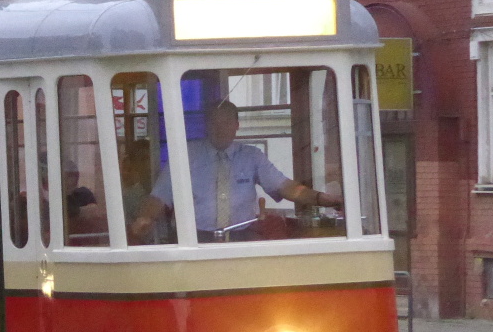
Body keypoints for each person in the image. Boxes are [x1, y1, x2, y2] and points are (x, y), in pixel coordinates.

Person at [132, 101, 341, 242]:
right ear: (207, 125)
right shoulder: (186, 155)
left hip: (241, 239)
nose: (220, 128)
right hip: (194, 240)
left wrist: (322, 198)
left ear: (236, 126)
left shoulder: (252, 156)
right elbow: (160, 196)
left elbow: (285, 187)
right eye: (214, 122)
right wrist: (145, 218)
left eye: (226, 122)